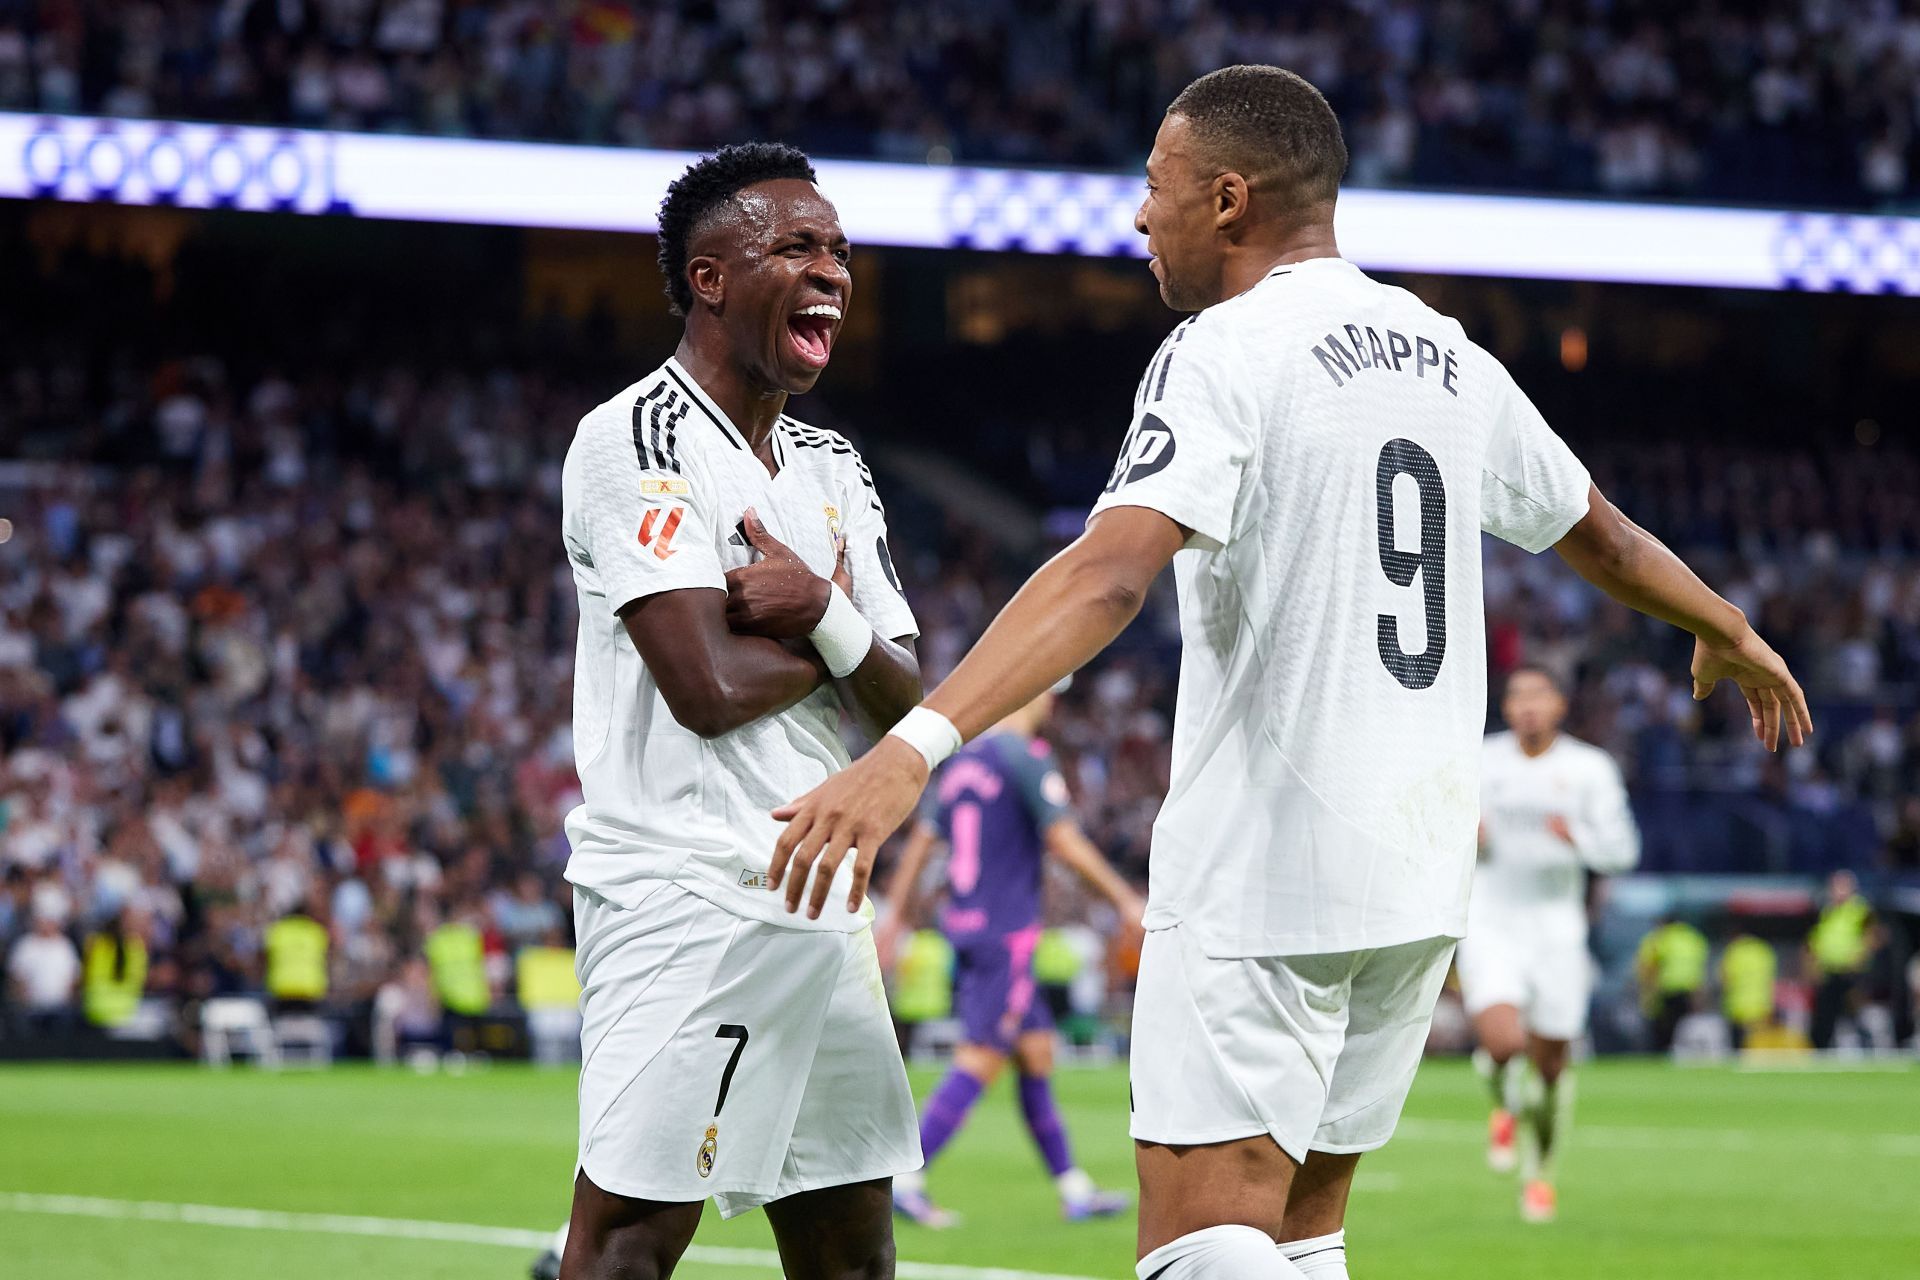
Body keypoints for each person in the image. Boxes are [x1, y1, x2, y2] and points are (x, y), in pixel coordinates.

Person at [769, 65, 1813, 1280]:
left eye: (1154, 186)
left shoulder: (1226, 348)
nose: (1138, 216)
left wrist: (912, 747)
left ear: (1226, 198)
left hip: (1267, 873)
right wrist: (1725, 622)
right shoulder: (1445, 352)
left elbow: (1111, 574)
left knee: (1203, 1243)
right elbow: (1605, 534)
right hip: (1416, 881)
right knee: (1303, 1236)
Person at [546, 142, 923, 1280]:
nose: (833, 271)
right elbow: (705, 688)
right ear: (710, 277)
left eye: (840, 252)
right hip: (685, 891)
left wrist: (815, 609)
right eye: (797, 247)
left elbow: (909, 697)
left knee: (851, 1248)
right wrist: (845, 633)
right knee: (628, 1241)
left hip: (821, 899)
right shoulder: (638, 437)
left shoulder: (832, 463)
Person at [874, 682, 1145, 1228]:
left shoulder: (962, 761)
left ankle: (1074, 1190)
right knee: (981, 1056)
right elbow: (1064, 841)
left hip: (968, 926)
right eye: (1049, 691)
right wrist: (1124, 900)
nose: (1051, 702)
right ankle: (905, 1179)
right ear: (1035, 693)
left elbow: (925, 839)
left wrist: (896, 916)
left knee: (1037, 1053)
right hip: (1008, 933)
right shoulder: (1025, 757)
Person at [1456, 665, 1638, 1222]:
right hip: (1491, 918)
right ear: (1506, 708)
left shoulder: (1589, 768)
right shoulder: (1479, 759)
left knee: (1552, 1066)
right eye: (1518, 696)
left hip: (1558, 926)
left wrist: (1577, 837)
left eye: (1540, 695)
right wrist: (1468, 835)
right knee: (1505, 1042)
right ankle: (1505, 1103)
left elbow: (1623, 851)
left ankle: (1539, 1174)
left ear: (1560, 704)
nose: (1529, 706)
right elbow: (1436, 820)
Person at [1806, 869, 1879, 1049]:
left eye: (1840, 886)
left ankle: (1868, 1047)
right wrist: (1814, 963)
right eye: (1833, 886)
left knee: (1855, 1012)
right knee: (1825, 1013)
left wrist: (1861, 956)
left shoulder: (1860, 909)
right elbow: (1817, 939)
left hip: (1851, 971)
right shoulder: (1827, 910)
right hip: (1829, 970)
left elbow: (1873, 935)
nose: (1835, 890)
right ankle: (1821, 1049)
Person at [1635, 915, 1710, 1052]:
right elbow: (1700, 967)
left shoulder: (1662, 937)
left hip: (1667, 989)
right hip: (1689, 989)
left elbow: (1651, 966)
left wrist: (1648, 991)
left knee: (1664, 1027)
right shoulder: (1694, 939)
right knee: (1684, 1027)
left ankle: (1663, 1051)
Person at [1719, 931, 1778, 1050]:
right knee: (1757, 1044)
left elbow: (1725, 979)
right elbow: (1771, 979)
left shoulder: (1734, 951)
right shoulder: (1764, 951)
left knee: (1738, 1047)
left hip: (1737, 1005)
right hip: (1760, 1004)